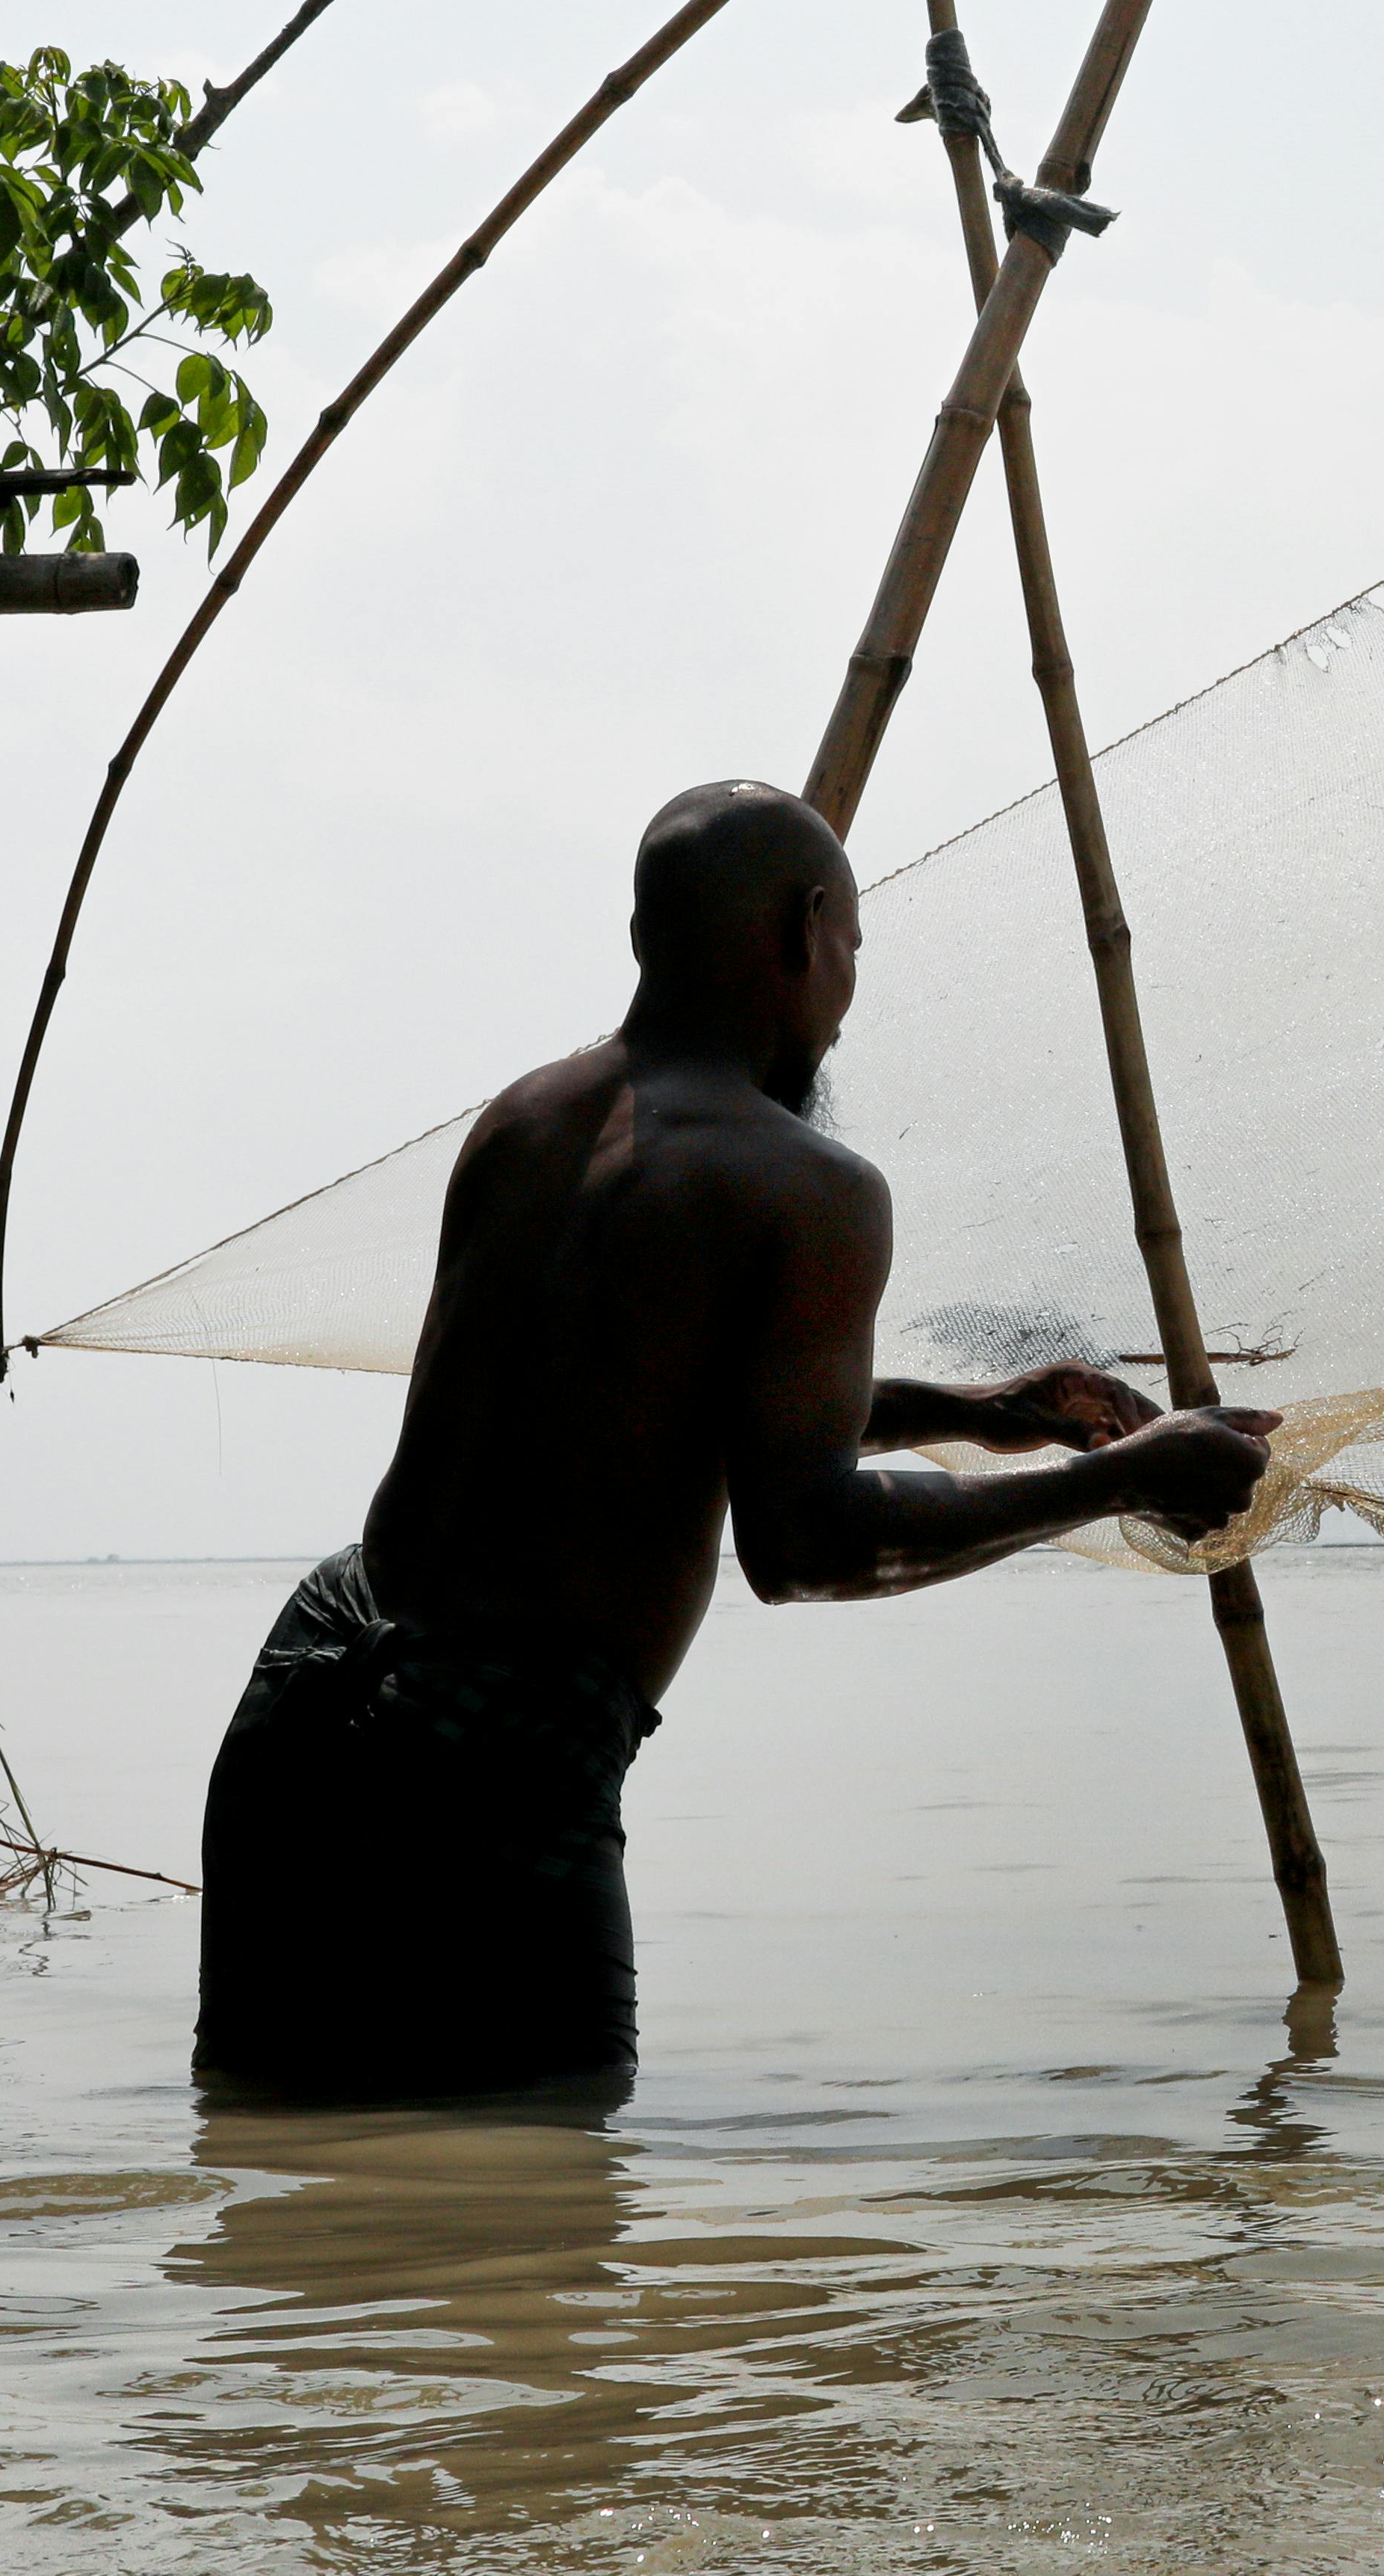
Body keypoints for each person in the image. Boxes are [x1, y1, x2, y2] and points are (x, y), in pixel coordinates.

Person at [194, 780, 1274, 2099]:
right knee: (540, 2214)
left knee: (274, 2158)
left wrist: (976, 1418)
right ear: (806, 928)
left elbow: (641, 1389)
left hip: (309, 1703)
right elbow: (804, 1543)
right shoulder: (807, 1186)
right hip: (507, 1754)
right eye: (856, 950)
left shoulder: (523, 1122)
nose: (847, 994)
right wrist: (1121, 1477)